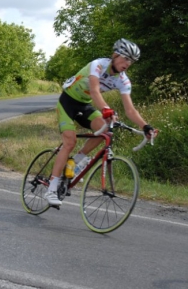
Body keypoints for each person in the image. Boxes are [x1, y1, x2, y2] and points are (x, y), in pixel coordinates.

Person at [45, 38, 158, 206]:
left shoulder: (123, 80)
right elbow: (94, 90)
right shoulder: (98, 65)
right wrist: (106, 109)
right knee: (70, 141)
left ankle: (75, 163)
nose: (128, 63)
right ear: (115, 55)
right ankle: (51, 188)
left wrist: (145, 126)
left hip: (84, 105)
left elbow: (130, 110)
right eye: (126, 58)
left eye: (132, 61)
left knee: (106, 131)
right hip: (67, 101)